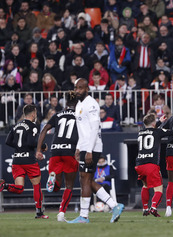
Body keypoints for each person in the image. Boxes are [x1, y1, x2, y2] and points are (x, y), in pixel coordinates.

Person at [68, 78, 124, 223]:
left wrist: (89, 151)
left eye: (80, 88)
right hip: (85, 146)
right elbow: (82, 130)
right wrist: (79, 147)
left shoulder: (92, 104)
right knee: (87, 179)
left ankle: (84, 216)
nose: (77, 91)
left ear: (87, 88)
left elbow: (94, 129)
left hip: (92, 147)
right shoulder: (80, 104)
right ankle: (115, 206)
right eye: (76, 88)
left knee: (85, 180)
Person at [36, 92, 78, 222]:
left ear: (65, 102)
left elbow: (43, 130)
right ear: (78, 102)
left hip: (55, 150)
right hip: (70, 151)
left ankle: (53, 176)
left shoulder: (58, 114)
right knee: (69, 186)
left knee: (56, 188)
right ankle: (61, 213)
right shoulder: (80, 115)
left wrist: (38, 150)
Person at [136, 113, 173, 217]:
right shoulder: (158, 132)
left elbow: (149, 128)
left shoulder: (140, 132)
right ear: (153, 123)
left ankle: (145, 208)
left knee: (145, 186)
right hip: (151, 164)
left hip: (139, 164)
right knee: (158, 189)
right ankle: (154, 207)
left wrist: (159, 122)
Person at [1, 104, 48, 219]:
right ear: (33, 114)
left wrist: (19, 147)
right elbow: (31, 142)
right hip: (29, 160)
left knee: (19, 188)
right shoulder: (33, 126)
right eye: (36, 113)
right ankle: (39, 213)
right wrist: (42, 146)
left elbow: (8, 141)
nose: (36, 115)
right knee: (36, 186)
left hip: (17, 160)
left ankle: (4, 185)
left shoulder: (16, 125)